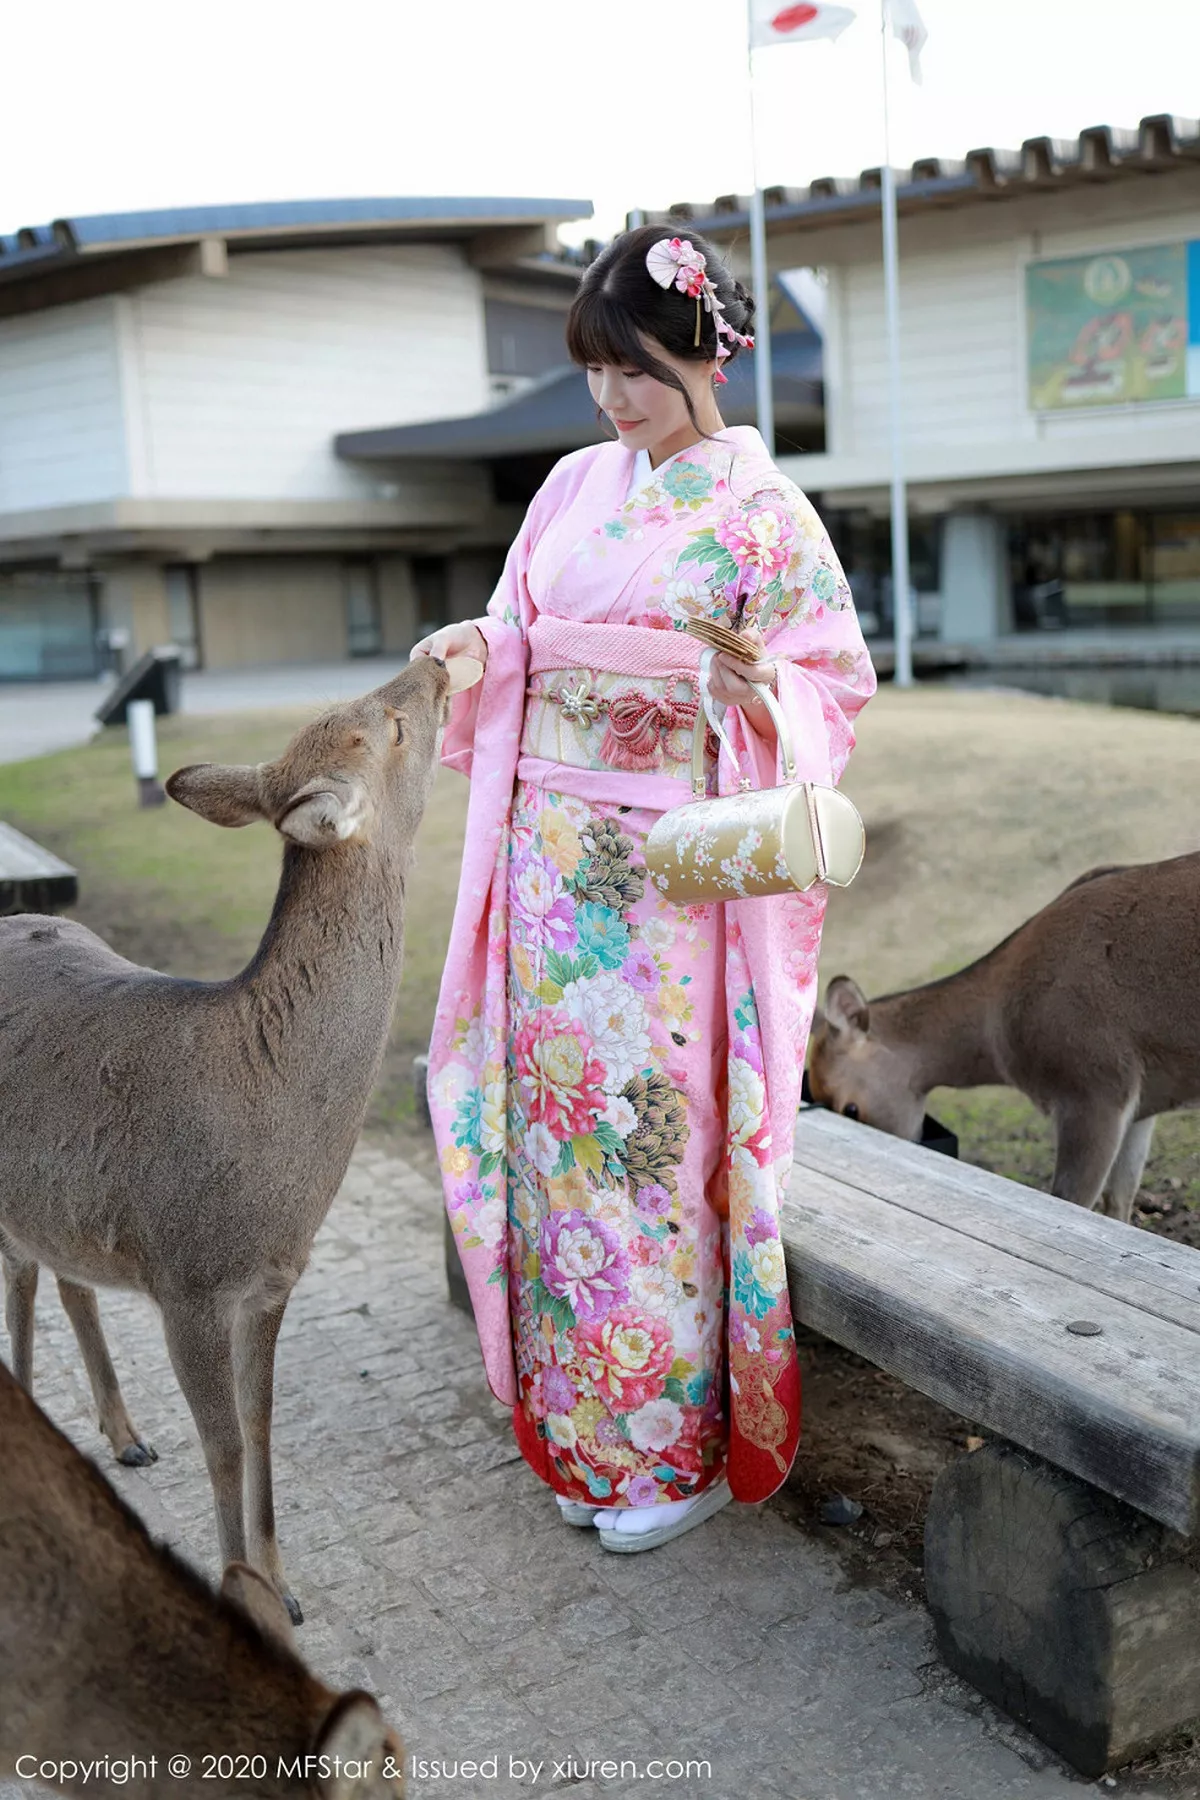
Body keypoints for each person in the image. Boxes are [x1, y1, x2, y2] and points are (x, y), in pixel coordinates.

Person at [412, 225, 875, 1552]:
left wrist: (758, 690)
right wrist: (480, 646)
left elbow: (831, 685)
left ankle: (663, 1455)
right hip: (551, 875)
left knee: (647, 1155)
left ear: (705, 356)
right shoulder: (571, 488)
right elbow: (524, 629)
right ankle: (579, 1435)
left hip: (666, 888)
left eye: (638, 371)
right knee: (560, 1156)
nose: (615, 400)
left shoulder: (767, 516)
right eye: (599, 372)